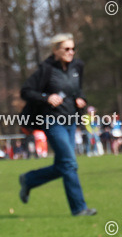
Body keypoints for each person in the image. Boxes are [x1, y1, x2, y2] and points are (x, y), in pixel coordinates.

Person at [18, 33, 96, 216]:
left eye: (73, 49)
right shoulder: (46, 70)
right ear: (55, 50)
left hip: (70, 121)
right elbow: (26, 91)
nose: (71, 52)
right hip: (52, 121)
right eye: (66, 49)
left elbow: (78, 90)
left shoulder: (77, 67)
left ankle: (29, 179)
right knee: (70, 163)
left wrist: (80, 99)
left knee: (64, 165)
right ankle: (79, 209)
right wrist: (46, 97)